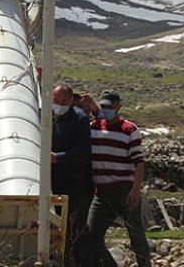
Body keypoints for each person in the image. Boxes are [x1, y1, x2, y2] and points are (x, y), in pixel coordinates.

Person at [88, 90, 151, 267]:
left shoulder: (129, 130)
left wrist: (135, 190)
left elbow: (139, 162)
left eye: (109, 106)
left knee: (136, 235)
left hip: (124, 191)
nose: (106, 109)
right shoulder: (94, 128)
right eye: (103, 107)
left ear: (118, 107)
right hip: (101, 193)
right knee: (92, 234)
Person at [50, 83, 94, 267]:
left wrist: (58, 158)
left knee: (73, 229)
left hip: (72, 183)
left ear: (70, 100)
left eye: (63, 101)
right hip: (49, 181)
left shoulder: (79, 119)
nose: (59, 104)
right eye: (56, 100)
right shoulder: (45, 116)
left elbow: (84, 151)